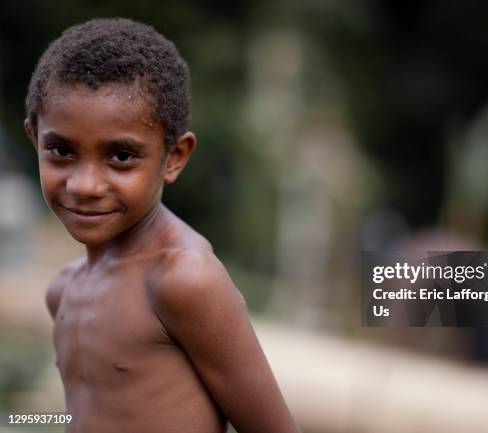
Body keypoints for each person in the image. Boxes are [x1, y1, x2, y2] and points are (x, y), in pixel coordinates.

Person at [24, 17, 300, 433]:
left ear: (174, 157)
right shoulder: (62, 292)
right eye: (61, 150)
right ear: (34, 140)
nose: (84, 185)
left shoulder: (183, 281)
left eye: (120, 157)